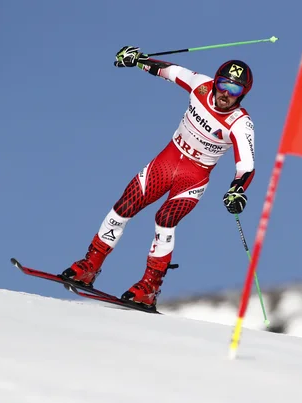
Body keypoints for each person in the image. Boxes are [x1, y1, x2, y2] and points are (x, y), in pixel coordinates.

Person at [60, 45, 256, 309]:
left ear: (242, 95)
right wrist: (137, 60)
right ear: (216, 80)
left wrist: (237, 190)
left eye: (234, 90)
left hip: (193, 177)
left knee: (165, 218)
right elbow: (169, 71)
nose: (225, 94)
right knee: (124, 206)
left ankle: (150, 287)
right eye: (223, 84)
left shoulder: (240, 122)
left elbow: (246, 165)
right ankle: (89, 266)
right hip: (166, 162)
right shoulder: (200, 86)